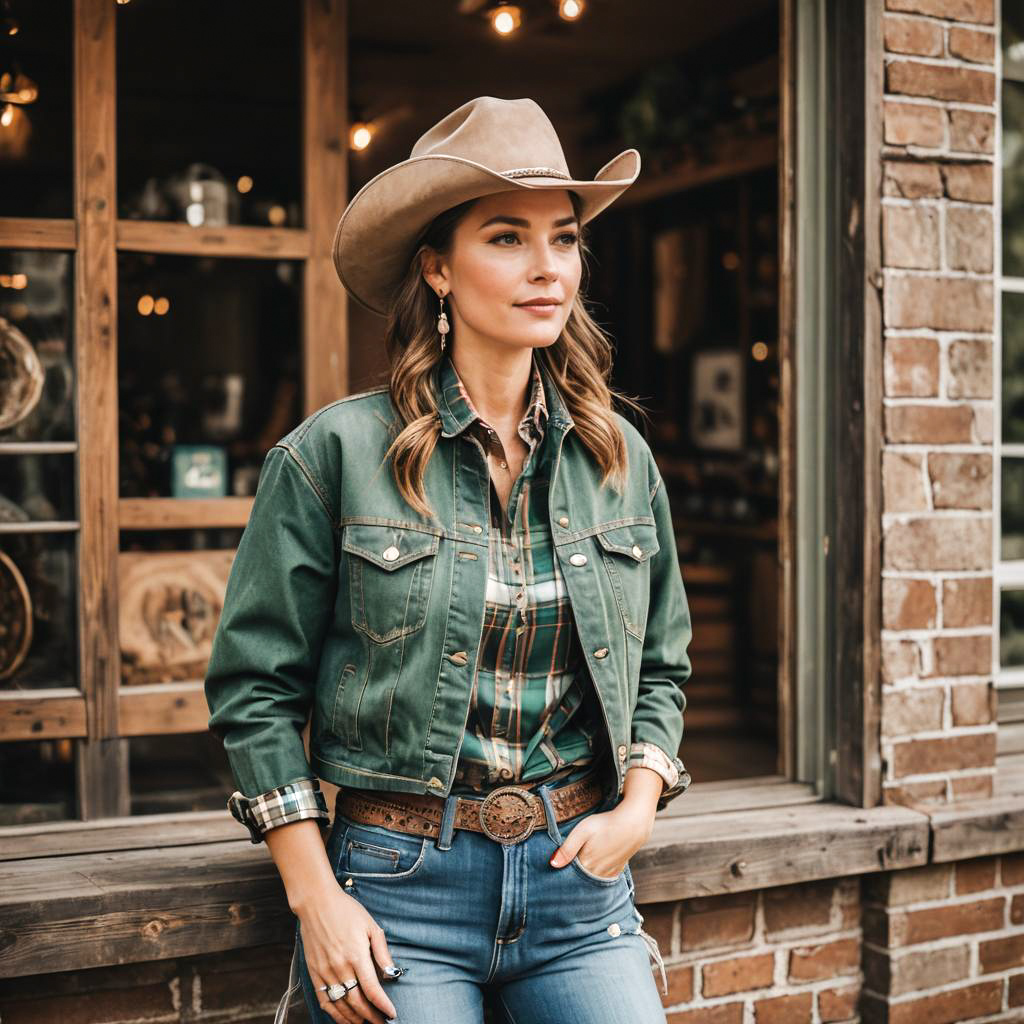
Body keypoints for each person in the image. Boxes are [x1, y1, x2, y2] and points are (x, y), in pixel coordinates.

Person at [204, 95, 693, 1024]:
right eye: (507, 238)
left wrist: (636, 809)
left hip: (577, 886)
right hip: (397, 887)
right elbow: (254, 693)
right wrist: (317, 900)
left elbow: (661, 662)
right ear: (436, 267)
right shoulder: (333, 455)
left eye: (565, 238)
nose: (547, 267)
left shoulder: (619, 459)